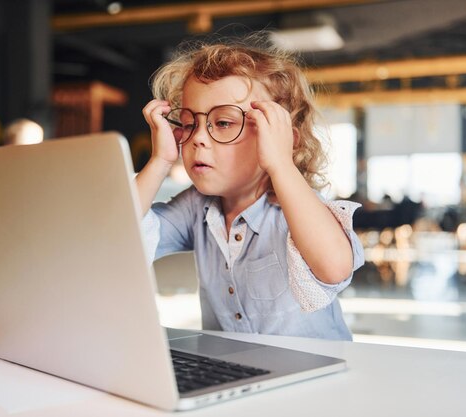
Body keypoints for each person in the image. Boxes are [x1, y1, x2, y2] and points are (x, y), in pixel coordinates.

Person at [136, 36, 364, 340]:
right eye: (190, 123)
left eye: (224, 122)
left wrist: (281, 164)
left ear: (283, 140)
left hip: (315, 373)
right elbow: (115, 237)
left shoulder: (297, 209)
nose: (198, 138)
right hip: (235, 373)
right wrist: (160, 161)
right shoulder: (196, 207)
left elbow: (334, 268)